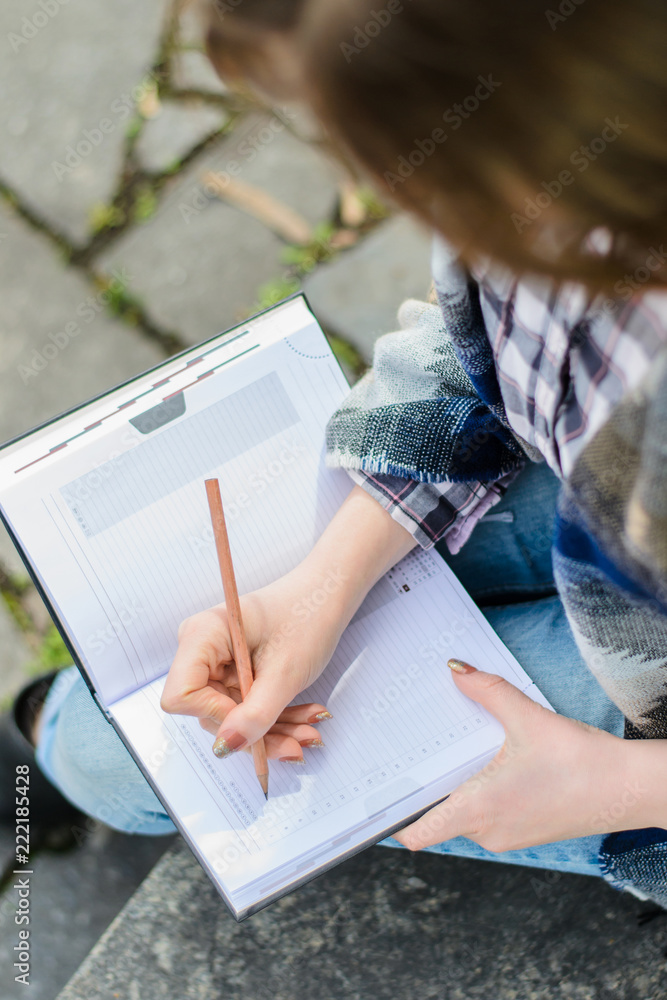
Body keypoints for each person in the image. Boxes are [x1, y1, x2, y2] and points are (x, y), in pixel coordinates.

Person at [3, 0, 667, 906]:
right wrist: (325, 581)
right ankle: (55, 734)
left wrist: (618, 790)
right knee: (118, 738)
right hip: (611, 545)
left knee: (101, 759)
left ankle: (45, 739)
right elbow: (490, 341)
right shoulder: (556, 171)